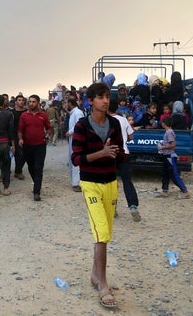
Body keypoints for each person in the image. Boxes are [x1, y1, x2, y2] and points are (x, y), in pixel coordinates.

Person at [71, 82, 125, 309]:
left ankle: (95, 274)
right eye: (101, 97)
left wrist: (114, 153)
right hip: (91, 183)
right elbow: (76, 159)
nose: (106, 100)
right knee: (101, 232)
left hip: (111, 182)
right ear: (90, 101)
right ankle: (103, 284)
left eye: (107, 97)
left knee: (106, 233)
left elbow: (121, 153)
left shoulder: (115, 123)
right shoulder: (83, 126)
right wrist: (101, 153)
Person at [108, 99, 141, 222]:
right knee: (127, 181)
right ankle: (133, 206)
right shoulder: (123, 119)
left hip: (109, 154)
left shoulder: (103, 120)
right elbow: (131, 136)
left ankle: (112, 208)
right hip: (124, 153)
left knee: (110, 182)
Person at [17, 94, 52, 201]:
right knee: (31, 167)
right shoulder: (24, 115)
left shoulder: (43, 115)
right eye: (30, 102)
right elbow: (20, 130)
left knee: (38, 168)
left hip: (40, 146)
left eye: (33, 102)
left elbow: (49, 128)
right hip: (27, 146)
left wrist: (47, 135)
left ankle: (36, 192)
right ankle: (37, 183)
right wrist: (20, 139)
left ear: (38, 103)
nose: (31, 103)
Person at [156, 116, 190, 199]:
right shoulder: (168, 132)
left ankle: (185, 191)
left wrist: (162, 147)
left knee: (174, 175)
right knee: (165, 174)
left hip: (170, 157)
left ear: (164, 124)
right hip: (166, 156)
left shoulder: (169, 132)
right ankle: (164, 191)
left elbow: (173, 145)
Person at [65, 95, 84, 192]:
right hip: (73, 140)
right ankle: (75, 182)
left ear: (70, 103)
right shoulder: (73, 113)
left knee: (77, 161)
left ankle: (78, 183)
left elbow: (80, 124)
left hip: (78, 140)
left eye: (67, 103)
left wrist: (70, 132)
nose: (66, 105)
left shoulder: (78, 113)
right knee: (72, 160)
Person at [10, 94, 28, 180]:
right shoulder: (12, 113)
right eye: (19, 100)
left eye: (22, 100)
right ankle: (18, 171)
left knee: (26, 155)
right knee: (19, 154)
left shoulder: (27, 112)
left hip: (27, 136)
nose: (21, 101)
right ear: (16, 102)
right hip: (16, 136)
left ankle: (18, 170)